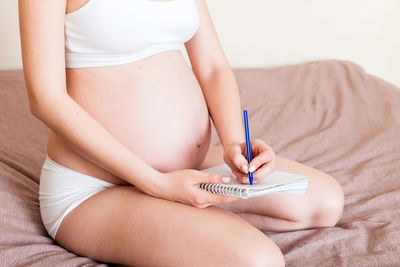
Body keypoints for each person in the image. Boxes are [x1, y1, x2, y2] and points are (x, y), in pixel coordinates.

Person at [18, 0, 344, 266]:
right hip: (95, 189)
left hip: (183, 170)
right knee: (257, 261)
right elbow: (47, 100)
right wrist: (156, 184)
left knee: (325, 201)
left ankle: (180, 215)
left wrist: (234, 143)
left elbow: (213, 66)